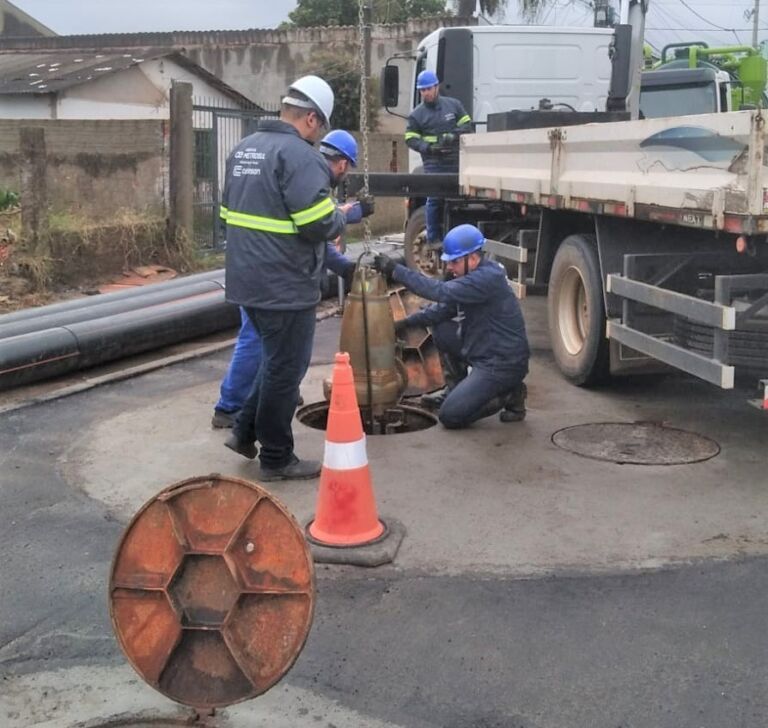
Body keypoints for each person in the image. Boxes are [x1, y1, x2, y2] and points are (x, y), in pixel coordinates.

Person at [221, 75, 348, 481]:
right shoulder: (301, 157)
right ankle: (276, 457)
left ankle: (243, 431)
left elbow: (227, 215)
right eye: (321, 126)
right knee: (286, 372)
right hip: (285, 286)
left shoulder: (243, 149)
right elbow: (317, 224)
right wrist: (344, 215)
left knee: (273, 364)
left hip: (247, 281)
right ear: (311, 118)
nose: (319, 134)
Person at [210, 129, 372, 430]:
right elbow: (314, 229)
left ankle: (260, 409)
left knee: (272, 354)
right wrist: (345, 218)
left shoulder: (254, 156)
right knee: (265, 349)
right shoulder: (304, 169)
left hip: (248, 271)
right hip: (275, 281)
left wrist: (342, 262)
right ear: (343, 165)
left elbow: (298, 227)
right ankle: (231, 408)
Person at [373, 224, 529, 430]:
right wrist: (405, 323)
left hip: (501, 364)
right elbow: (442, 311)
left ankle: (510, 393)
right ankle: (454, 388)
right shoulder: (471, 276)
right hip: (485, 349)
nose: (449, 268)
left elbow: (440, 292)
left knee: (450, 416)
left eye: (454, 262)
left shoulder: (486, 278)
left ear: (472, 258)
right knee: (441, 327)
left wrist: (395, 270)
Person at [404, 70, 472, 248]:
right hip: (433, 163)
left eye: (428, 89)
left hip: (455, 160)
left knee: (458, 200)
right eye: (422, 90)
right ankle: (433, 238)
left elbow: (467, 124)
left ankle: (459, 236)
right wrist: (428, 148)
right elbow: (410, 138)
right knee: (434, 199)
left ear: (436, 87)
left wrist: (453, 136)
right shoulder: (417, 115)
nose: (426, 93)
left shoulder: (453, 106)